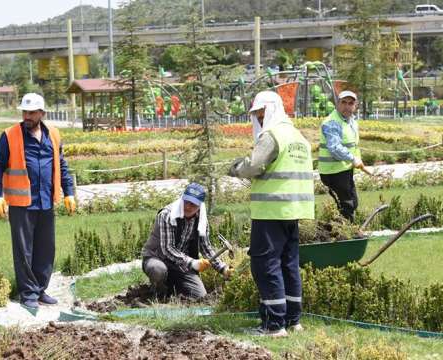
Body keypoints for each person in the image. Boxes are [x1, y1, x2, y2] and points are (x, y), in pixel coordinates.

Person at [229, 91, 314, 337]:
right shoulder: (297, 136)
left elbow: (254, 165)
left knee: (266, 265)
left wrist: (235, 168)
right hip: (294, 210)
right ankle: (292, 320)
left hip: (271, 210)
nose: (258, 117)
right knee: (289, 264)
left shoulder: (272, 135)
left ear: (271, 109)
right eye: (256, 113)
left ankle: (274, 325)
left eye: (260, 112)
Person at [0, 93, 76, 312]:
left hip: (47, 201)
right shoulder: (10, 136)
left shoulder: (53, 135)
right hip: (21, 203)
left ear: (42, 113)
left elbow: (61, 165)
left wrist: (69, 192)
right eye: (24, 112)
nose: (27, 116)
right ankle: (27, 293)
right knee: (24, 250)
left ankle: (40, 289)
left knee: (46, 249)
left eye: (31, 112)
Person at [141, 183, 233, 299]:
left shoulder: (201, 220)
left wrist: (223, 268)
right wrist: (193, 263)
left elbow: (206, 248)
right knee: (158, 270)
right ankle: (159, 294)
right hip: (158, 258)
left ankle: (173, 285)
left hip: (180, 264)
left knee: (200, 296)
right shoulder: (167, 215)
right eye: (187, 202)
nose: (188, 207)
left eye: (193, 204)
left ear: (200, 205)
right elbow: (168, 249)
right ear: (182, 198)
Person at [318, 90, 363, 222]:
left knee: (352, 203)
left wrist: (357, 159)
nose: (347, 106)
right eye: (343, 102)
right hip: (333, 171)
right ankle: (346, 234)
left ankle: (342, 231)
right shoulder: (332, 122)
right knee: (347, 204)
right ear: (337, 104)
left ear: (355, 106)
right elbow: (334, 147)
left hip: (344, 169)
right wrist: (353, 158)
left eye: (351, 103)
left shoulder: (351, 121)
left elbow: (353, 145)